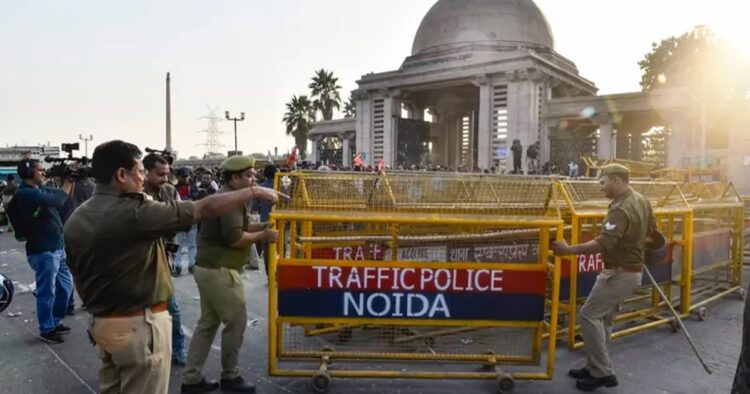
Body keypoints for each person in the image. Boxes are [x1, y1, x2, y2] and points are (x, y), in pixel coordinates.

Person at [64, 140, 280, 394]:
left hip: (104, 322)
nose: (143, 179)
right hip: (138, 327)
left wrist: (97, 315)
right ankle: (221, 374)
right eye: (140, 172)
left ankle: (194, 376)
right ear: (121, 175)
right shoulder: (133, 212)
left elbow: (77, 274)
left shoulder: (77, 218)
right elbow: (203, 209)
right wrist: (254, 193)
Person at [551, 163, 656, 391]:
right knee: (604, 320)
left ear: (617, 180)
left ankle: (603, 372)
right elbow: (652, 234)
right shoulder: (641, 200)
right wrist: (634, 248)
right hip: (630, 271)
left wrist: (569, 250)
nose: (601, 188)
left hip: (619, 273)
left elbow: (603, 243)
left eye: (603, 182)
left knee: (588, 315)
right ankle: (594, 366)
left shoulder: (621, 208)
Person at [182, 156, 279, 394]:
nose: (253, 179)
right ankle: (230, 376)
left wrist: (265, 226)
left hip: (210, 268)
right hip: (220, 270)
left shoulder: (229, 197)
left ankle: (192, 379)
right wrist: (263, 237)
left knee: (207, 324)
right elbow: (235, 238)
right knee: (236, 322)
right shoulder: (231, 201)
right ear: (234, 179)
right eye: (249, 176)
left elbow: (243, 228)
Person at [10, 159, 74, 343]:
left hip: (56, 248)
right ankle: (47, 329)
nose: (43, 173)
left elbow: (63, 196)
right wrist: (68, 180)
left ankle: (55, 321)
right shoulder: (26, 194)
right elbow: (59, 199)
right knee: (47, 291)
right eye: (40, 170)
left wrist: (66, 179)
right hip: (43, 251)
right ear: (30, 173)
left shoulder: (39, 190)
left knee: (66, 287)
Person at [143, 153, 188, 366]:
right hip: (138, 262)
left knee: (172, 309)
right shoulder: (134, 193)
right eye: (160, 174)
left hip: (163, 259)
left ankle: (178, 351)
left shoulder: (170, 191)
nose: (165, 179)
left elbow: (180, 218)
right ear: (146, 172)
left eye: (167, 174)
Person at [252, 165, 276, 277]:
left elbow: (254, 207)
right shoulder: (281, 188)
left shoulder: (260, 189)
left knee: (268, 249)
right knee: (281, 249)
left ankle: (270, 275)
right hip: (281, 223)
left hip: (266, 223)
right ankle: (279, 273)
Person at [175, 167, 198, 275]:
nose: (185, 178)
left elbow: (197, 202)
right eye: (183, 176)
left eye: (187, 176)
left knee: (192, 244)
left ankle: (192, 264)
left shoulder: (193, 188)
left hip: (192, 219)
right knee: (177, 244)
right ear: (178, 177)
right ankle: (177, 266)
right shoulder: (173, 188)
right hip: (178, 219)